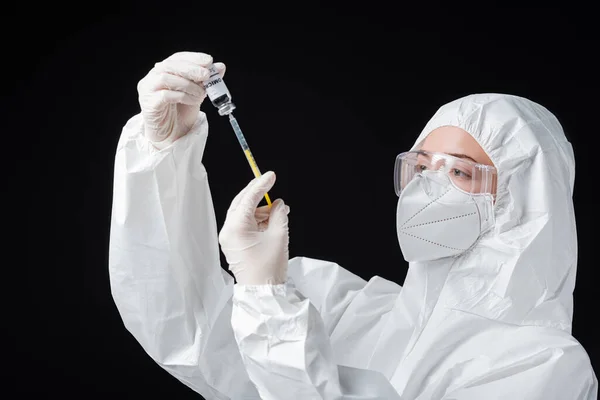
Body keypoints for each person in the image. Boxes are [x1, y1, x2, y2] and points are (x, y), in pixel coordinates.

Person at [108, 51, 598, 399]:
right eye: (421, 165)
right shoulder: (347, 310)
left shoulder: (544, 365)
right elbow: (190, 332)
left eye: (458, 171)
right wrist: (163, 155)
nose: (428, 184)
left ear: (522, 203)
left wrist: (271, 306)